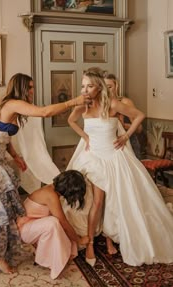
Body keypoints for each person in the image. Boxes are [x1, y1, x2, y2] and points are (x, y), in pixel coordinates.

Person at [0, 73, 91, 274]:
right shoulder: (11, 104)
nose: (32, 91)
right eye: (29, 87)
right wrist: (75, 101)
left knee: (2, 211)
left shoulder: (8, 107)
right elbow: (45, 112)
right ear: (20, 88)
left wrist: (16, 156)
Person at [66, 67, 173, 267]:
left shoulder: (113, 104)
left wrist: (125, 135)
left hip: (114, 158)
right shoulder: (83, 106)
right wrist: (86, 137)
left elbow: (139, 115)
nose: (85, 90)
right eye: (82, 86)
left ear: (98, 87)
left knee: (120, 200)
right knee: (97, 201)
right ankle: (89, 243)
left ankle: (112, 236)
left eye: (89, 86)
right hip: (93, 159)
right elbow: (70, 120)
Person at [17, 170, 89, 279]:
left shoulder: (51, 189)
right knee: (54, 222)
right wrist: (79, 240)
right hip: (22, 231)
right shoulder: (50, 195)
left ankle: (59, 255)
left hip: (30, 227)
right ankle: (53, 262)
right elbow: (63, 223)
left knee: (57, 222)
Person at [103, 72, 145, 159]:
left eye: (110, 87)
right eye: (104, 87)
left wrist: (124, 126)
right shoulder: (100, 105)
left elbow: (139, 129)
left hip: (128, 142)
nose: (106, 90)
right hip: (108, 145)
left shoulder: (125, 102)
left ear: (116, 87)